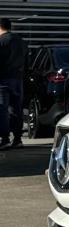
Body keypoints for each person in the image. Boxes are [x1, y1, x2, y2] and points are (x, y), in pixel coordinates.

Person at [0, 17, 28, 150]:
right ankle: (18, 139)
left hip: (3, 80)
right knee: (16, 110)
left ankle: (4, 139)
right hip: (18, 79)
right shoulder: (21, 41)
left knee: (3, 110)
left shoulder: (1, 41)